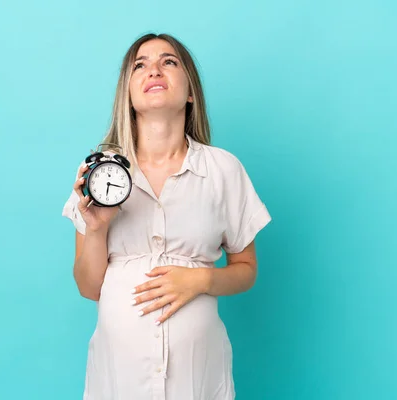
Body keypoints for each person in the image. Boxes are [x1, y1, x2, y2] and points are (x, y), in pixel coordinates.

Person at [62, 33, 271, 400]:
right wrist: (96, 230)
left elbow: (247, 270)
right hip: (119, 376)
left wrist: (199, 280)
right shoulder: (100, 172)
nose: (154, 69)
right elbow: (88, 287)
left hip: (197, 376)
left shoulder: (223, 170)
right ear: (127, 93)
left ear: (190, 91)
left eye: (169, 61)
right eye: (140, 65)